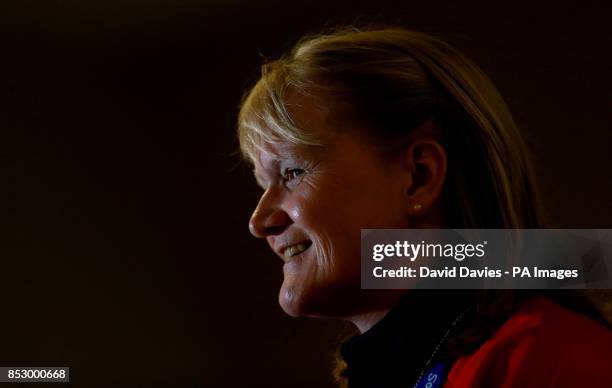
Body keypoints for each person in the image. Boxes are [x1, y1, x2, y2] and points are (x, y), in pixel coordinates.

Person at [236, 26, 612, 387]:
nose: (260, 221)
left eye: (293, 172)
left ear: (418, 176)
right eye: (262, 184)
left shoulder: (548, 359)